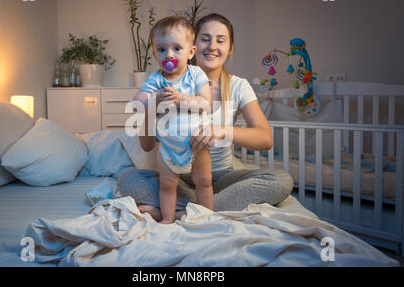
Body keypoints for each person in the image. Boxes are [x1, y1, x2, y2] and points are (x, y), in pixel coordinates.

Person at [119, 13, 293, 222]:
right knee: (128, 180)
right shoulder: (161, 83)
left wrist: (220, 131)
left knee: (281, 181)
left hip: (221, 175)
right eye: (205, 38)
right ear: (194, 46)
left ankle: (179, 212)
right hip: (176, 174)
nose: (212, 46)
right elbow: (146, 146)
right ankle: (204, 208)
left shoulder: (238, 86)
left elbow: (265, 139)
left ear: (230, 48)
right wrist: (151, 106)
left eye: (220, 40)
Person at [133, 16, 213, 224]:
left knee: (204, 182)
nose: (169, 54)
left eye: (177, 48)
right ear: (154, 54)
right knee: (167, 183)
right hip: (168, 147)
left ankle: (207, 216)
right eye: (162, 49)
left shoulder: (195, 75)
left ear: (191, 52)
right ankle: (168, 218)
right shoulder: (156, 80)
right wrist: (153, 99)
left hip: (196, 145)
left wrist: (182, 99)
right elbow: (137, 102)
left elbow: (205, 103)